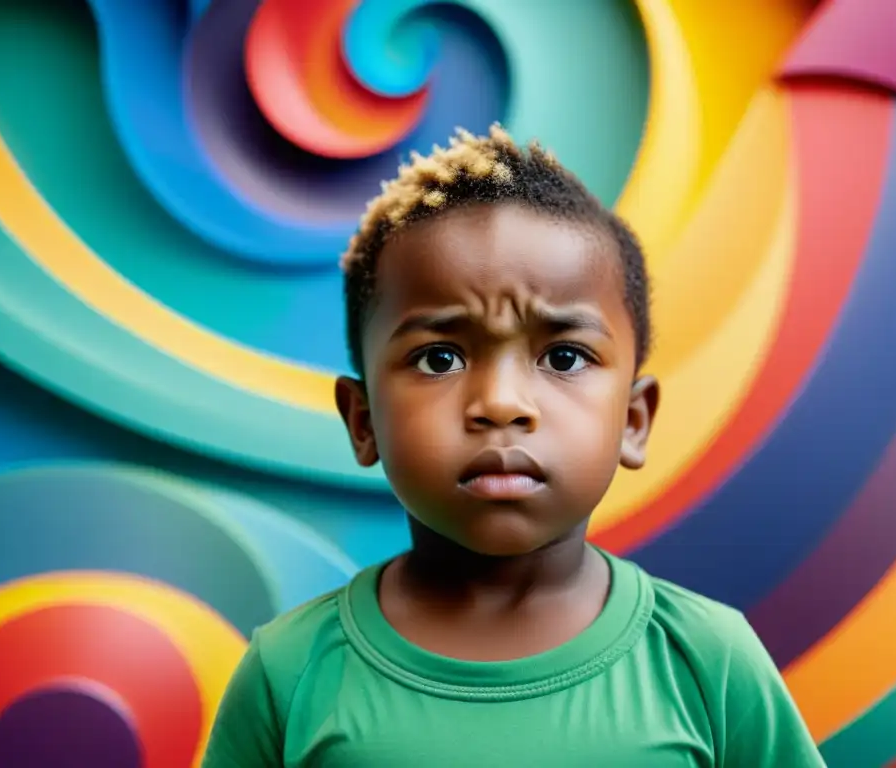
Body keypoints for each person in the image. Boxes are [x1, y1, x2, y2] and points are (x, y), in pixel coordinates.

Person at [202, 125, 827, 767]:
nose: (501, 403)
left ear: (633, 420)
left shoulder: (707, 662)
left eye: (564, 356)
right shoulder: (290, 673)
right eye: (439, 358)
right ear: (362, 421)